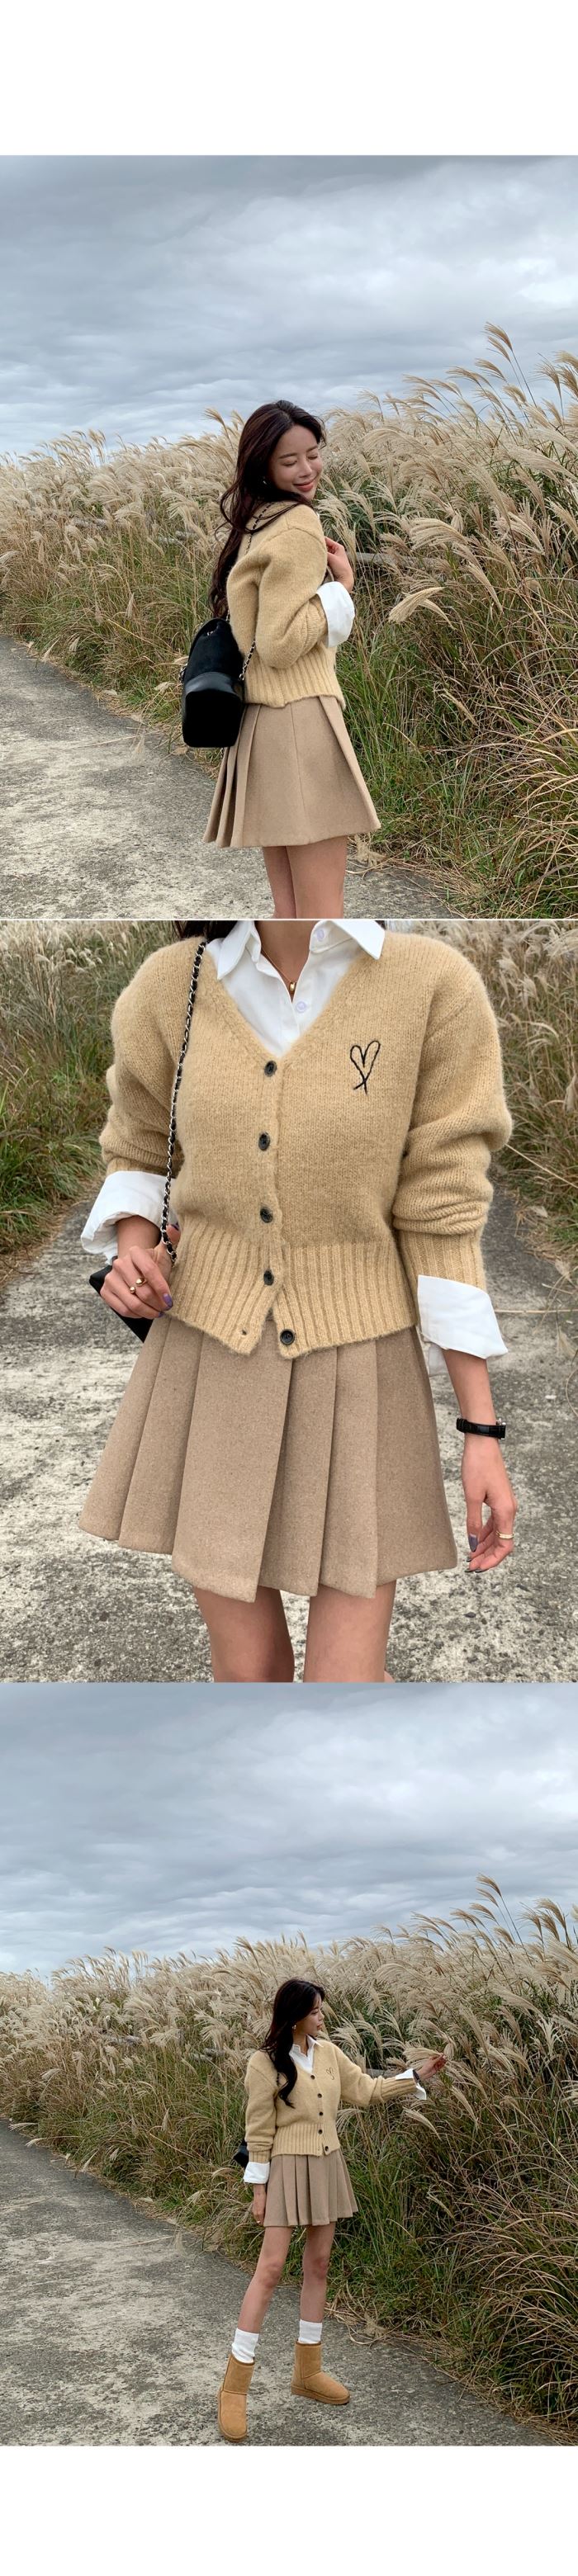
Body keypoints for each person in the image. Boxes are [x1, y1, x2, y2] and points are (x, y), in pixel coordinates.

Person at [79, 916, 517, 1685]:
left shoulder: (431, 987)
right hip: (210, 1356)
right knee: (248, 1676)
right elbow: (140, 1142)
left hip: (363, 1368)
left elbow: (443, 1213)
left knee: (342, 1690)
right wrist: (134, 1250)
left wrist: (481, 1429)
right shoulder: (171, 983)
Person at [218, 1977, 445, 2441]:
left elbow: (367, 2091)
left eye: (321, 2010)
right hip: (285, 2168)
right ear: (295, 2016)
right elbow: (258, 2129)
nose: (322, 2018)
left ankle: (308, 2371)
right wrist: (258, 2189)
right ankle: (234, 2388)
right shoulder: (264, 2062)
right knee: (270, 2269)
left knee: (319, 2264)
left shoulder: (329, 2054)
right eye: (316, 2011)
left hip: (327, 2163)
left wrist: (416, 2077)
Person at [202, 400, 379, 918]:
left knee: (291, 912)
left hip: (262, 726)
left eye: (313, 454)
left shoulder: (257, 522)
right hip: (300, 721)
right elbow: (279, 643)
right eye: (289, 460)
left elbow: (257, 631)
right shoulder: (299, 524)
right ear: (264, 465)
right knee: (322, 917)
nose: (307, 469)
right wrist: (341, 588)